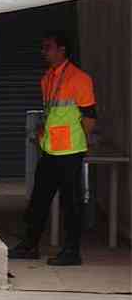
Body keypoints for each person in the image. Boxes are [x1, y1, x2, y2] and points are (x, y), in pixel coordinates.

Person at [8, 31, 96, 266]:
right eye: (43, 47)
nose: (43, 52)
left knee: (71, 203)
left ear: (62, 50)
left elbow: (90, 117)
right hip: (50, 150)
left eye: (48, 47)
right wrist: (42, 131)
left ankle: (71, 252)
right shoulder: (47, 78)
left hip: (70, 153)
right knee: (38, 200)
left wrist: (78, 141)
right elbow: (52, 112)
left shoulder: (80, 78)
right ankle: (29, 245)